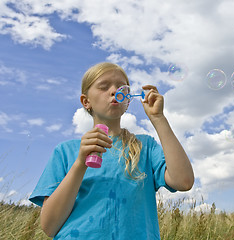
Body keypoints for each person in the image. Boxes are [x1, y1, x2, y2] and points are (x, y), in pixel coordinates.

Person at [29, 62, 194, 239]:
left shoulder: (145, 146)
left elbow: (183, 182)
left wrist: (158, 118)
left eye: (122, 87)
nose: (115, 91)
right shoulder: (65, 151)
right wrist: (79, 164)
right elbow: (49, 226)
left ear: (128, 100)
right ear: (86, 101)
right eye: (104, 86)